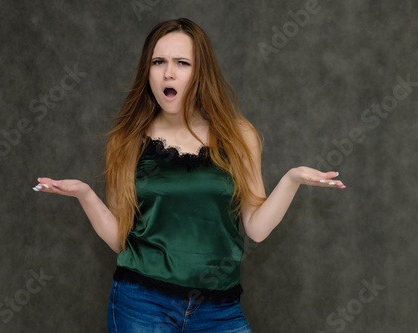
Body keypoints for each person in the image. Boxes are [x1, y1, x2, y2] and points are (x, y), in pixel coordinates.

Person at [32, 18, 345, 333]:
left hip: (219, 309)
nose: (168, 72)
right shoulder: (127, 141)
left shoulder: (238, 136)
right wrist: (86, 195)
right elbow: (119, 239)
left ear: (200, 72)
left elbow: (257, 228)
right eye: (158, 62)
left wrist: (291, 180)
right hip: (142, 303)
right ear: (148, 71)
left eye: (182, 63)